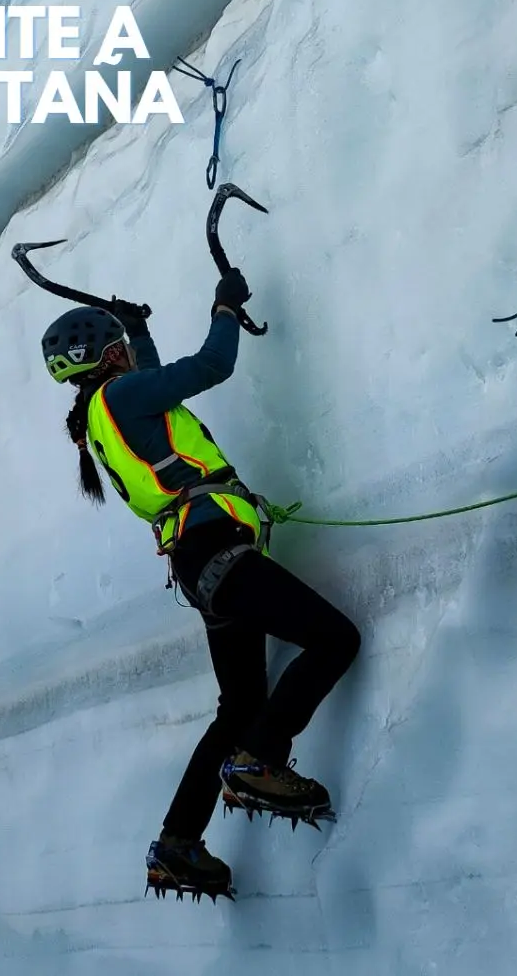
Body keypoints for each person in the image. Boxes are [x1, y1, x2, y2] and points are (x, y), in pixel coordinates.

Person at [39, 267, 362, 902]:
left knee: (238, 706)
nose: (129, 353)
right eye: (122, 345)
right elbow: (212, 366)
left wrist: (136, 327)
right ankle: (260, 760)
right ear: (108, 356)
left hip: (197, 565)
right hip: (219, 551)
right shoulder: (123, 396)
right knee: (334, 639)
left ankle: (178, 843)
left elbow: (156, 385)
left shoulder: (106, 411)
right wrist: (225, 307)